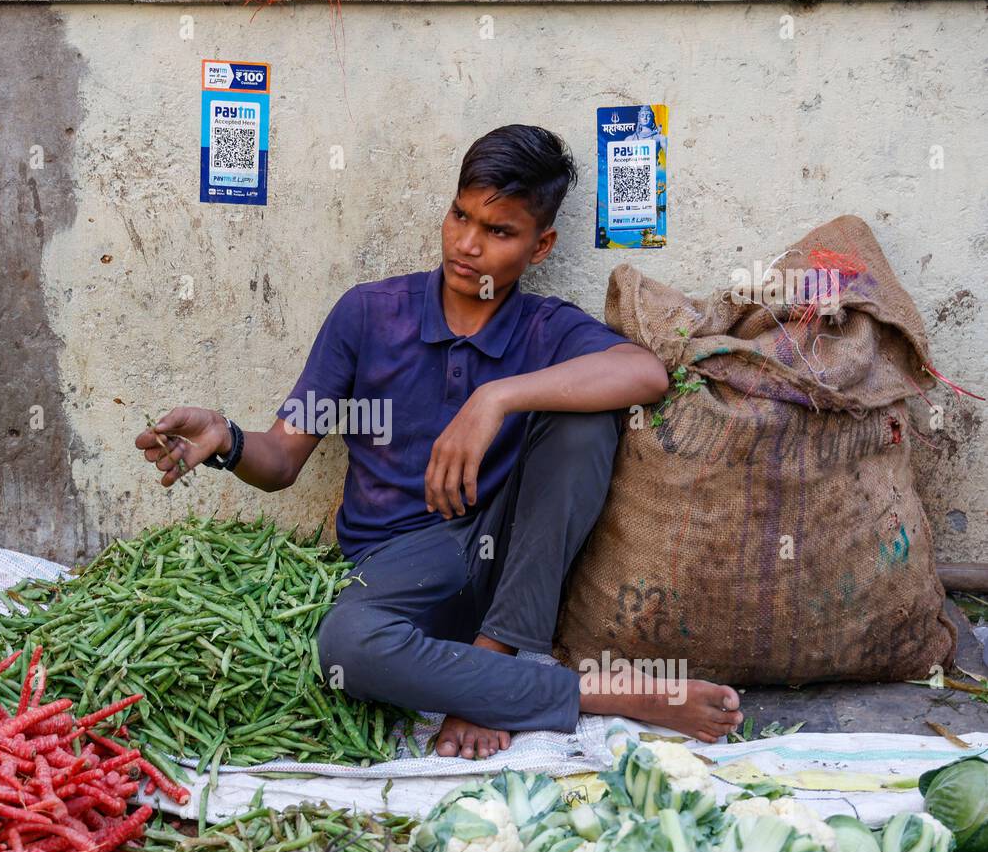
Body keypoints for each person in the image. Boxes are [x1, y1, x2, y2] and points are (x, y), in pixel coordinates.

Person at [135, 125, 743, 759]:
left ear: (542, 247)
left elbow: (644, 374)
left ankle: (491, 664)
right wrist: (228, 439)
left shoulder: (546, 328)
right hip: (398, 568)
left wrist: (497, 397)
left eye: (499, 231)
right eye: (460, 216)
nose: (467, 245)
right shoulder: (369, 315)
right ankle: (584, 693)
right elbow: (283, 457)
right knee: (345, 646)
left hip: (512, 573)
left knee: (586, 416)